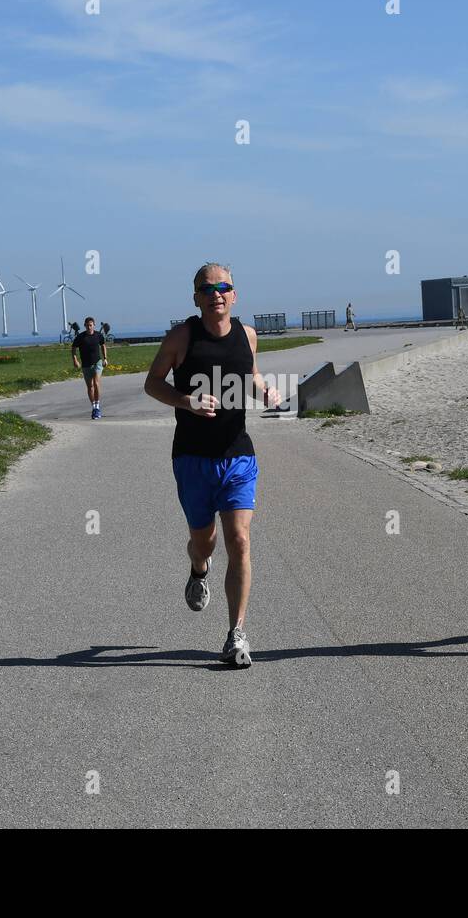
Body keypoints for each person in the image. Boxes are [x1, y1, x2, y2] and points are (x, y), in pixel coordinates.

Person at [144, 263, 281, 667]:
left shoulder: (248, 335)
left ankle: (236, 634)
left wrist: (266, 390)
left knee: (239, 540)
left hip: (238, 454)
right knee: (204, 541)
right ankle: (198, 567)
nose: (216, 293)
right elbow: (152, 383)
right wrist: (186, 401)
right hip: (192, 458)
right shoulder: (181, 337)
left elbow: (251, 374)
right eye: (207, 288)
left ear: (234, 295)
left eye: (223, 287)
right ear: (196, 298)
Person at [71, 317, 108, 419]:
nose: (89, 327)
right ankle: (94, 408)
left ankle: (97, 406)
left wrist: (105, 358)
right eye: (87, 325)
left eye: (91, 325)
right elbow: (73, 348)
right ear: (85, 326)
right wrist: (75, 360)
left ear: (94, 325)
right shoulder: (81, 337)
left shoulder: (98, 335)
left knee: (96, 383)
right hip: (86, 365)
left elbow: (103, 345)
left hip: (97, 363)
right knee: (90, 387)